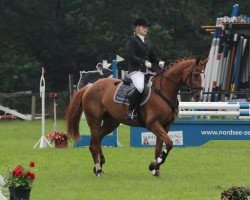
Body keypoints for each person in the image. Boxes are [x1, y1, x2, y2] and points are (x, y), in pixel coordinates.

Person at [126, 18, 165, 120]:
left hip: (148, 71)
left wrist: (159, 61)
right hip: (136, 70)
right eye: (144, 27)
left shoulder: (148, 42)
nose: (146, 29)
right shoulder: (132, 40)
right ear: (137, 28)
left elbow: (153, 56)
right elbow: (131, 56)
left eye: (147, 27)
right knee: (140, 87)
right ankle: (131, 111)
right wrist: (143, 62)